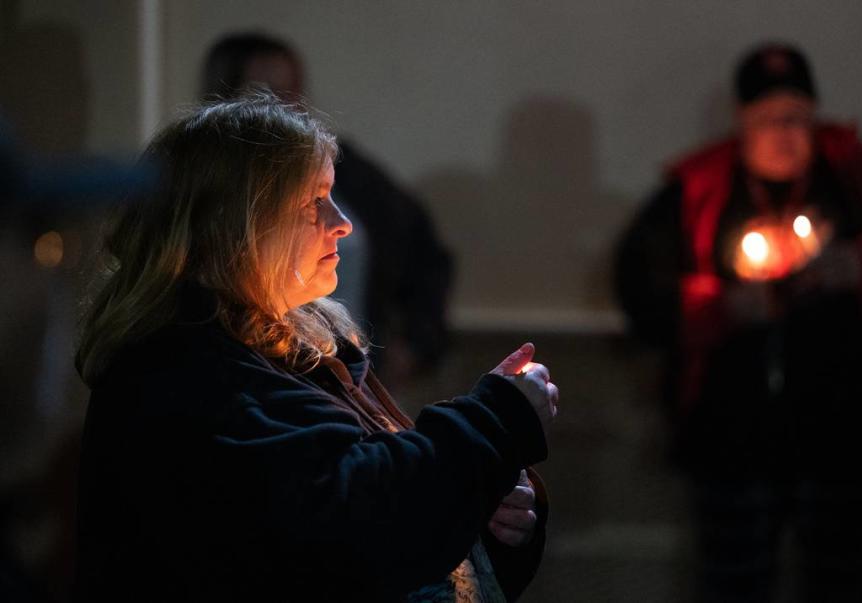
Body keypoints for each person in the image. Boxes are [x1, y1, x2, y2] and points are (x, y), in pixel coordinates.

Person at [74, 94, 558, 602]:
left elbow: (396, 529)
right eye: (314, 202)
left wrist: (486, 518)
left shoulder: (290, 351)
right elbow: (356, 527)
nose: (343, 222)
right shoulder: (188, 375)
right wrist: (493, 424)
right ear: (237, 225)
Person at [616, 42, 862, 602]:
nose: (784, 132)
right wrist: (720, 306)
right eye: (769, 119)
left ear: (816, 116)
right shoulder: (697, 189)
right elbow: (638, 286)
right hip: (731, 444)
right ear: (741, 122)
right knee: (733, 583)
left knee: (844, 581)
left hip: (849, 440)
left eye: (797, 117)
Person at [202, 32, 452, 386]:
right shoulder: (213, 196)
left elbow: (424, 254)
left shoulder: (348, 173)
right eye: (268, 95)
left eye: (294, 93)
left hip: (349, 379)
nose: (288, 108)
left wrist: (417, 343)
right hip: (267, 378)